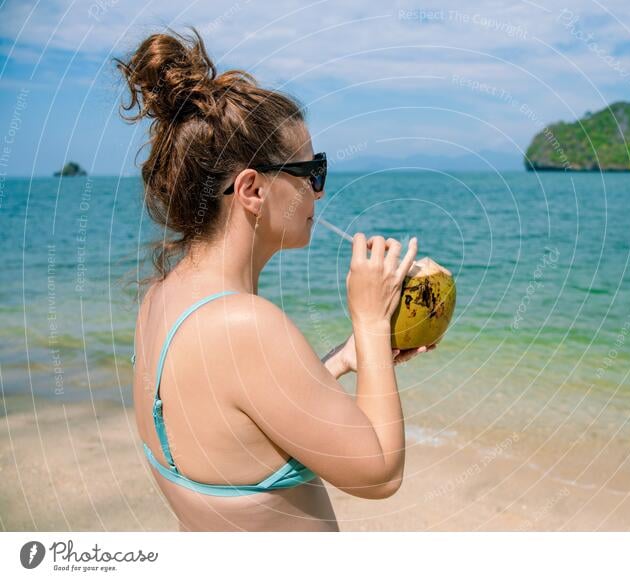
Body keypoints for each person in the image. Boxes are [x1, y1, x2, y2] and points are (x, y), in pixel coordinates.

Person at [116, 28, 436, 531]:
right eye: (311, 171)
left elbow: (236, 421)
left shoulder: (161, 300)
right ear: (252, 190)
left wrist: (346, 359)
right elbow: (380, 474)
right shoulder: (247, 325)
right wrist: (371, 322)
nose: (318, 192)